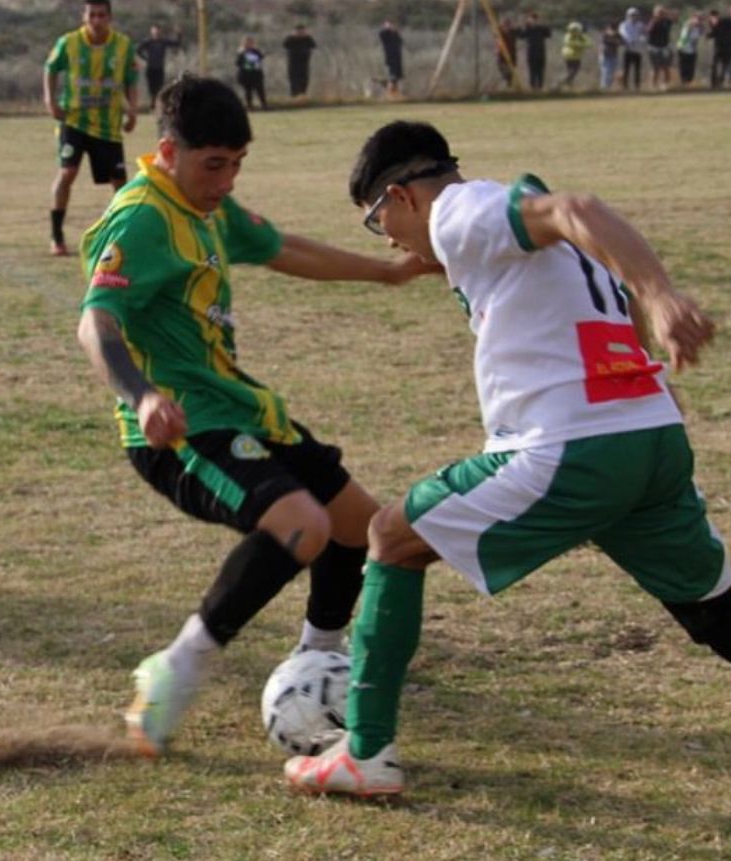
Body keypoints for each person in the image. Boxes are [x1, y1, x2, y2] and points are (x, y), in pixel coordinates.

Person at [283, 120, 731, 801]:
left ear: (400, 196)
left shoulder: (462, 211)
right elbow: (585, 258)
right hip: (647, 438)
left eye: (379, 223)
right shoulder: (517, 236)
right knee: (719, 614)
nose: (393, 240)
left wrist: (663, 296)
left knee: (392, 536)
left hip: (571, 448)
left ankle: (366, 754)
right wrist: (646, 344)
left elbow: (578, 208)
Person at [75, 77, 437, 758]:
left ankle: (316, 664)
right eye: (215, 164)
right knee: (303, 525)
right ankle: (174, 669)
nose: (226, 179)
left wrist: (384, 273)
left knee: (361, 526)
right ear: (168, 152)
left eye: (238, 162)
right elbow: (96, 324)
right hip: (181, 431)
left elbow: (281, 247)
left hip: (241, 409)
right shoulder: (142, 218)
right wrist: (141, 395)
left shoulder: (206, 204)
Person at [43, 0, 138, 258]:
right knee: (67, 173)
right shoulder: (69, 43)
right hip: (74, 121)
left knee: (120, 183)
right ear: (84, 17)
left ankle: (125, 235)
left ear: (109, 17)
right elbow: (50, 69)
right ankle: (57, 235)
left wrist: (132, 109)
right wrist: (50, 101)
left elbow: (131, 79)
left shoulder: (122, 46)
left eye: (101, 15)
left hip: (108, 125)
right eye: (92, 15)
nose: (96, 20)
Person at [137, 23, 181, 110]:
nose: (156, 32)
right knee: (151, 87)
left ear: (160, 31)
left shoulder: (163, 41)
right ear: (151, 31)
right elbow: (138, 50)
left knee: (160, 87)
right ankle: (153, 102)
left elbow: (176, 43)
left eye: (157, 30)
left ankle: (158, 104)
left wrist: (178, 34)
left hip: (159, 68)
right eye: (154, 30)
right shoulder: (148, 42)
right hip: (150, 68)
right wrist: (145, 59)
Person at [519, 12, 552, 91]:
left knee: (540, 71)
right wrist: (526, 25)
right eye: (532, 19)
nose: (534, 21)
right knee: (532, 71)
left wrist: (545, 24)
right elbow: (521, 36)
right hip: (531, 53)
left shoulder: (541, 28)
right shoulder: (528, 28)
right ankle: (532, 87)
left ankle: (540, 87)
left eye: (535, 19)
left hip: (541, 53)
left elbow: (549, 34)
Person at [646, 6, 677, 90]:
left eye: (662, 12)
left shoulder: (667, 21)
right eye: (659, 12)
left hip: (665, 47)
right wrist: (654, 21)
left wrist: (668, 13)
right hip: (654, 47)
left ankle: (665, 84)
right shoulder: (653, 21)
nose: (661, 14)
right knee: (655, 68)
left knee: (666, 67)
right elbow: (648, 30)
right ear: (655, 13)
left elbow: (675, 18)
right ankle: (653, 85)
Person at [282, 23, 317, 99]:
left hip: (304, 64)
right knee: (294, 82)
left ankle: (302, 97)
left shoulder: (307, 39)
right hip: (293, 65)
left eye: (302, 31)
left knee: (304, 82)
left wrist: (307, 36)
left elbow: (314, 45)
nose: (301, 33)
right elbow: (285, 45)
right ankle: (294, 98)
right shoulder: (291, 39)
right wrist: (292, 36)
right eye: (299, 31)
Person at [706, 8, 731, 88]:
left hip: (727, 47)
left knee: (724, 65)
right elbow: (715, 33)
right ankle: (714, 82)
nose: (712, 20)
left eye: (714, 18)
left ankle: (721, 81)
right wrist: (708, 36)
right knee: (714, 64)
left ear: (717, 17)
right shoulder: (712, 24)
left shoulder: (725, 22)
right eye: (711, 18)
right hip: (718, 47)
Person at [235, 36, 268, 110]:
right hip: (246, 75)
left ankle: (264, 105)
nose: (249, 44)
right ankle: (250, 106)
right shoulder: (241, 52)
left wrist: (257, 50)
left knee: (260, 90)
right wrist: (241, 54)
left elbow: (261, 57)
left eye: (251, 43)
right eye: (247, 43)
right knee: (248, 91)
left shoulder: (256, 51)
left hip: (256, 74)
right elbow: (237, 63)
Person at [618, 8, 646, 90]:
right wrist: (631, 40)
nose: (634, 16)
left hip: (638, 49)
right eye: (632, 15)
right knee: (626, 69)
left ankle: (637, 86)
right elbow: (623, 34)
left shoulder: (640, 24)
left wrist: (642, 39)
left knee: (637, 69)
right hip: (627, 49)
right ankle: (625, 86)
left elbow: (643, 34)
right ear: (628, 15)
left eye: (635, 15)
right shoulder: (624, 24)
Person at [558, 22, 592, 89]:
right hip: (569, 55)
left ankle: (568, 84)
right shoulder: (568, 35)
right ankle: (564, 81)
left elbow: (589, 44)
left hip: (577, 56)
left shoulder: (582, 35)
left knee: (573, 71)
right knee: (572, 70)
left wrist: (579, 44)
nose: (574, 31)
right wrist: (579, 44)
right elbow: (567, 42)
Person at [677, 12, 704, 86]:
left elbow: (699, 36)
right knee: (684, 68)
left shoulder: (699, 27)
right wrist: (680, 47)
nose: (699, 21)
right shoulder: (687, 25)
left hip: (693, 50)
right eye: (698, 19)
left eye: (700, 19)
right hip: (684, 49)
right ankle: (684, 82)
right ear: (693, 18)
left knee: (691, 68)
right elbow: (683, 37)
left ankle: (689, 82)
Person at [379, 21, 404, 97]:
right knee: (392, 77)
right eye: (389, 26)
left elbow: (401, 42)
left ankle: (396, 95)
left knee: (397, 78)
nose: (392, 27)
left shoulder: (396, 35)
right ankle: (389, 94)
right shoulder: (385, 36)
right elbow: (382, 34)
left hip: (398, 59)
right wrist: (387, 28)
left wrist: (395, 32)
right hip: (391, 59)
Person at [496, 17, 520, 88]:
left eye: (508, 26)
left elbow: (519, 31)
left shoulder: (513, 33)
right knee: (503, 69)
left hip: (511, 55)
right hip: (501, 55)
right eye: (505, 26)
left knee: (511, 73)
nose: (506, 28)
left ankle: (509, 85)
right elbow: (496, 31)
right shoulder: (500, 33)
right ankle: (507, 81)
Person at [600, 23, 624, 90]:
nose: (613, 30)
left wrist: (616, 40)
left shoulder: (617, 35)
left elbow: (622, 42)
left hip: (614, 56)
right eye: (611, 28)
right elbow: (606, 41)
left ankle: (609, 87)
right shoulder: (605, 34)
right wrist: (615, 41)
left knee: (612, 72)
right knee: (606, 72)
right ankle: (604, 88)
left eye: (614, 29)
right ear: (608, 28)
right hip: (605, 56)